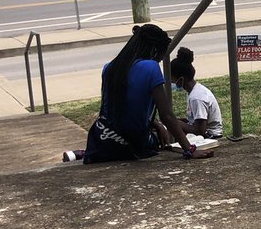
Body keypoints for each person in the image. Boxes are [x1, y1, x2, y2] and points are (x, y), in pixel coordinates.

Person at [63, 24, 210, 163]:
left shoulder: (110, 68)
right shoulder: (151, 68)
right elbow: (167, 115)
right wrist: (189, 149)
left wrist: (155, 124)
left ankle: (82, 153)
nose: (158, 61)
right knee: (162, 141)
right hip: (133, 143)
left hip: (102, 137)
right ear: (154, 51)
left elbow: (122, 106)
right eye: (160, 57)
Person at [170, 47, 223, 138]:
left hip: (210, 136)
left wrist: (176, 123)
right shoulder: (193, 91)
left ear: (181, 79)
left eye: (172, 80)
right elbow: (195, 121)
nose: (172, 83)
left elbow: (199, 131)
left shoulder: (197, 97)